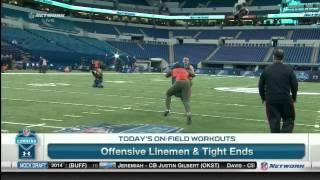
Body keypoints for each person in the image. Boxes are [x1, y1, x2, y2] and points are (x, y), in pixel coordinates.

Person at [258, 48, 298, 133]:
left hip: (271, 101)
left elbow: (260, 86)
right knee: (289, 120)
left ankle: (277, 142)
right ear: (282, 57)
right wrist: (294, 98)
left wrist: (263, 98)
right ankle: (284, 138)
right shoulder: (289, 70)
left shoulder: (266, 70)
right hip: (286, 99)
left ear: (273, 57)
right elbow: (295, 85)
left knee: (273, 123)